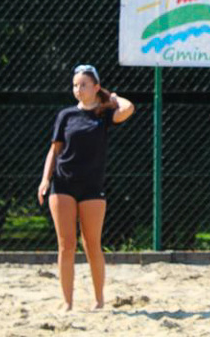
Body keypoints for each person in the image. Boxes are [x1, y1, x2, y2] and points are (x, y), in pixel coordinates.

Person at [37, 64, 135, 311]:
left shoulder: (103, 115)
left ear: (96, 87)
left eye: (83, 85)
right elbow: (55, 149)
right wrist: (45, 179)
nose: (78, 89)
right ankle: (67, 302)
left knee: (92, 244)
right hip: (63, 184)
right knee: (66, 245)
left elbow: (128, 108)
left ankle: (99, 300)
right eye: (75, 85)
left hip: (92, 187)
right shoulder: (66, 115)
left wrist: (111, 98)